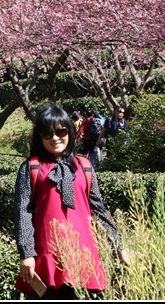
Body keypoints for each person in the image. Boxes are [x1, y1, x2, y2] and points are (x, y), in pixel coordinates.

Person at [14, 104, 131, 299]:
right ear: (39, 137)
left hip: (82, 255)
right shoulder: (31, 167)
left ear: (69, 131)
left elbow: (98, 210)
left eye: (61, 131)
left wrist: (118, 245)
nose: (55, 138)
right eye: (47, 133)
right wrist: (26, 253)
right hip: (46, 257)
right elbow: (22, 213)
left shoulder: (83, 166)